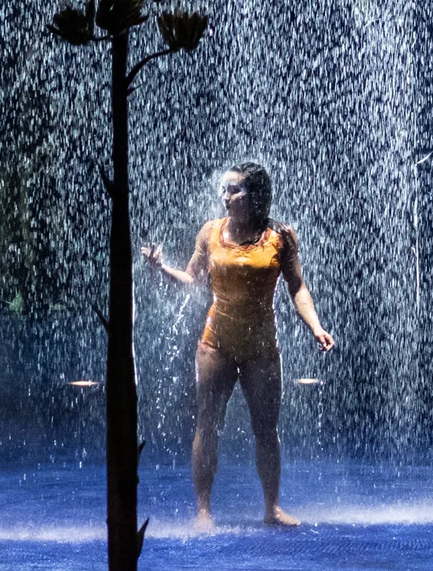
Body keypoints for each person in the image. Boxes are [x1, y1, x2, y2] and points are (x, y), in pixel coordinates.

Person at [141, 162, 336, 528]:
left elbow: (297, 287)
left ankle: (272, 508)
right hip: (216, 343)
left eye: (235, 191)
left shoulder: (281, 237)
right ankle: (203, 512)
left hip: (261, 347)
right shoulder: (211, 233)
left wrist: (316, 326)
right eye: (225, 190)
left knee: (266, 428)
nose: (226, 197)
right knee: (207, 423)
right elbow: (190, 279)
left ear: (256, 196)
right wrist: (161, 268)